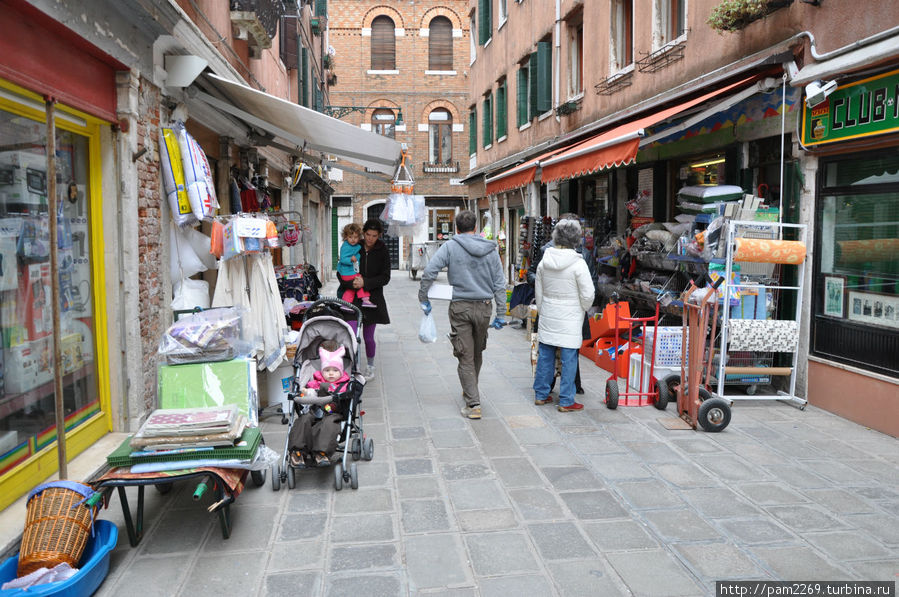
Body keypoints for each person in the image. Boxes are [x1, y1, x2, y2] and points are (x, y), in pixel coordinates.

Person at [418, 210, 506, 420]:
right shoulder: (491, 249)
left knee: (464, 354)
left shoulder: (450, 246)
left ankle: (473, 403)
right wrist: (501, 312)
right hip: (485, 307)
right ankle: (470, 389)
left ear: (456, 228)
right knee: (476, 351)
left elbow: (430, 271)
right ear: (475, 228)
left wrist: (424, 297)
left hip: (460, 307)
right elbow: (499, 283)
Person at [527, 213, 594, 394]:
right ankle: (566, 399)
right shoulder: (579, 263)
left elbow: (538, 290)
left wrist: (543, 308)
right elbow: (588, 295)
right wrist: (582, 308)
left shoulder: (545, 261)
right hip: (571, 317)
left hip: (548, 314)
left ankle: (541, 394)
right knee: (569, 357)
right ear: (576, 239)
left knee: (546, 355)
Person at [337, 218, 391, 377]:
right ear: (363, 233)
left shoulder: (383, 250)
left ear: (379, 235)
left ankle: (370, 366)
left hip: (371, 299)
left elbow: (385, 277)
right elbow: (340, 270)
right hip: (351, 299)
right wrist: (351, 284)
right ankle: (352, 366)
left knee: (368, 337)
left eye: (374, 236)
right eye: (367, 234)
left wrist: (365, 283)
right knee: (351, 334)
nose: (370, 239)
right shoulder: (355, 245)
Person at [288, 341, 351, 467]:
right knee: (303, 419)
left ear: (341, 371)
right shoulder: (315, 382)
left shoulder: (344, 384)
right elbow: (306, 390)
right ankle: (297, 451)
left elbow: (346, 395)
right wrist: (305, 391)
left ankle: (321, 452)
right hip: (314, 410)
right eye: (327, 370)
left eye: (335, 370)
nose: (331, 373)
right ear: (322, 371)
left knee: (329, 423)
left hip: (333, 413)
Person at [337, 223, 376, 308]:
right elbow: (342, 259)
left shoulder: (357, 246)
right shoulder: (346, 246)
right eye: (350, 237)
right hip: (347, 273)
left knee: (351, 289)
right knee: (359, 281)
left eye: (355, 237)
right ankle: (365, 299)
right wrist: (351, 259)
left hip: (350, 272)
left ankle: (345, 304)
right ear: (346, 237)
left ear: (359, 237)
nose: (353, 240)